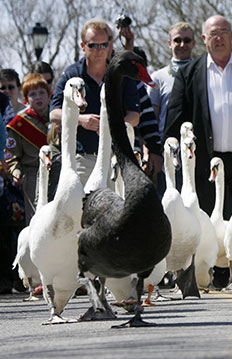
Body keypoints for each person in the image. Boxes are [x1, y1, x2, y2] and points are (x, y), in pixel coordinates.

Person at [164, 15, 232, 218]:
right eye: (213, 34)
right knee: (211, 223)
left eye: (224, 33)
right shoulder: (188, 73)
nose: (219, 38)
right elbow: (174, 117)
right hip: (206, 164)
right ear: (203, 38)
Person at [49, 19, 140, 185]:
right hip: (82, 160)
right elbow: (54, 113)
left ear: (110, 45)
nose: (99, 50)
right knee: (81, 210)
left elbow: (134, 116)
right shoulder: (72, 74)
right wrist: (81, 120)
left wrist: (111, 127)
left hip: (116, 158)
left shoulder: (121, 74)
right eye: (93, 45)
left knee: (118, 208)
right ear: (83, 46)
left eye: (103, 45)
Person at [118, 26, 163, 181]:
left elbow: (149, 122)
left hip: (131, 156)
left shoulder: (138, 87)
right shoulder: (108, 80)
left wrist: (154, 152)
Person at [4, 74, 51, 224]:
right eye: (32, 94)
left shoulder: (58, 116)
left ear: (49, 95)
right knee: (37, 221)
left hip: (59, 172)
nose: (38, 97)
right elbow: (10, 154)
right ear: (26, 99)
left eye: (42, 92)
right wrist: (16, 171)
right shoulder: (18, 124)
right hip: (33, 176)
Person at [148, 22, 196, 137]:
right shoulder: (157, 78)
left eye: (187, 40)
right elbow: (152, 116)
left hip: (198, 144)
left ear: (194, 43)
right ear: (169, 43)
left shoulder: (203, 74)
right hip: (166, 144)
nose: (182, 44)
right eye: (177, 40)